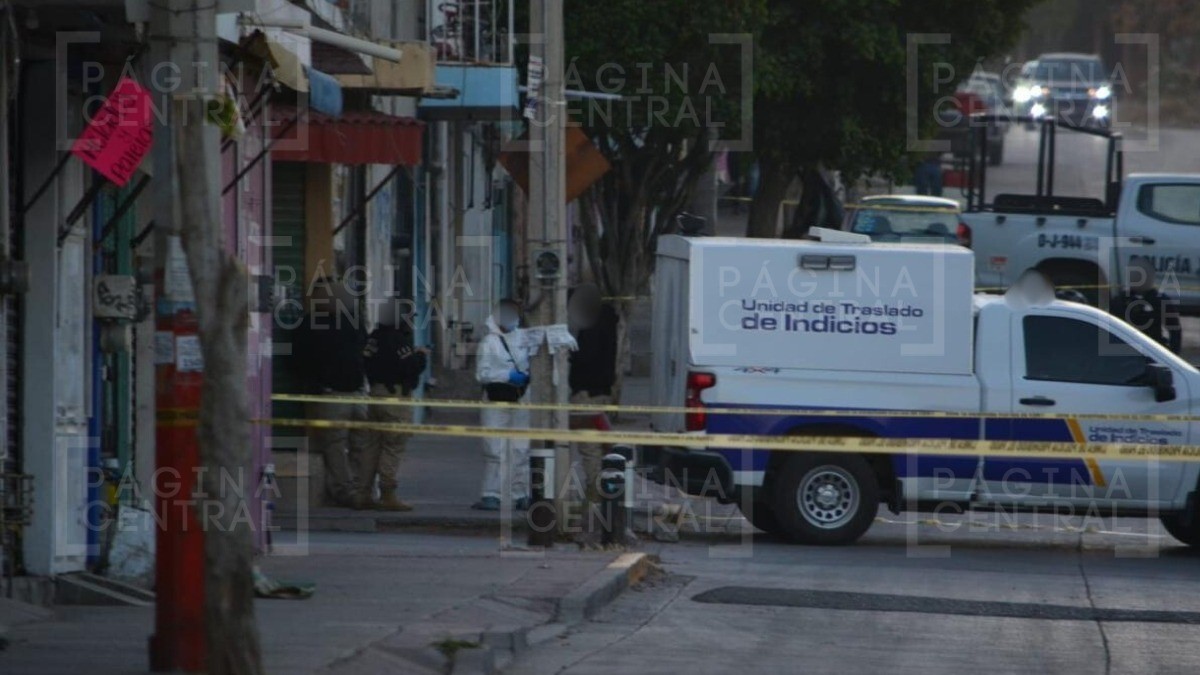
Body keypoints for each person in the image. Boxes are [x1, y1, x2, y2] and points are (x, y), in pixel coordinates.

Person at [294, 279, 368, 508]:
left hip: (351, 392)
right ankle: (347, 490)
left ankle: (356, 488)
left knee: (353, 444)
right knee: (339, 445)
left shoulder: (347, 321)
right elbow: (300, 360)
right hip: (337, 393)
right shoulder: (314, 324)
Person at [357, 299, 428, 511]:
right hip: (394, 397)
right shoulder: (398, 340)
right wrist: (421, 356)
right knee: (393, 444)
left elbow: (365, 361)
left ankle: (362, 493)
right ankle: (387, 493)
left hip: (375, 393)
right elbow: (410, 367)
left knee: (372, 445)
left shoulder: (374, 337)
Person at [473, 299, 532, 511]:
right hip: (496, 399)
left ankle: (520, 493)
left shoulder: (524, 338)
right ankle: (491, 494)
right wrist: (508, 375)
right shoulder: (489, 342)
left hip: (521, 398)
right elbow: (482, 374)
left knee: (520, 449)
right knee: (495, 449)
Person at [567, 284, 618, 529]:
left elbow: (584, 359)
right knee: (597, 447)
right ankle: (595, 496)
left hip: (586, 393)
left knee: (590, 449)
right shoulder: (607, 318)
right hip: (601, 391)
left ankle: (595, 497)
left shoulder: (590, 326)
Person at [1111, 257, 1183, 354]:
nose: (1138, 278)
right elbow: (1111, 329)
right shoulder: (1120, 300)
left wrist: (1172, 354)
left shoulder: (1160, 300)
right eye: (1135, 275)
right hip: (1127, 352)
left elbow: (1175, 330)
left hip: (1153, 351)